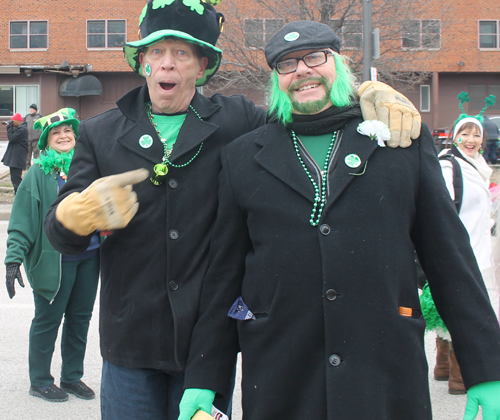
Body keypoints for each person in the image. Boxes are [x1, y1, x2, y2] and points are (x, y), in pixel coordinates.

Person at [44, 0, 421, 420]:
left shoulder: (240, 121)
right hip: (131, 342)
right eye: (157, 52)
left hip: (208, 344)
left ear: (202, 65)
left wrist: (366, 95)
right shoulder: (99, 132)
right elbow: (60, 233)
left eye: (181, 53)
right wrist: (73, 216)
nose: (167, 64)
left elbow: (308, 112)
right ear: (142, 61)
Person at [178, 21, 500, 420]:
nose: (302, 71)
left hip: (383, 368)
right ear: (277, 80)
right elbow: (224, 275)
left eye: (315, 57)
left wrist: (487, 367)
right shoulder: (243, 157)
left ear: (340, 65)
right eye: (287, 64)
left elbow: (451, 261)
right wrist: (204, 373)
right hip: (283, 372)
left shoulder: (399, 144)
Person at [5, 108, 100, 403]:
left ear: (76, 136)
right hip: (53, 261)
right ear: (45, 142)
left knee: (80, 319)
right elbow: (22, 220)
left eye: (68, 131)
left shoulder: (88, 169)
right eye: (56, 133)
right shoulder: (37, 174)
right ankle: (40, 380)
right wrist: (13, 259)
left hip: (90, 255)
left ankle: (72, 377)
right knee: (48, 320)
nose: (63, 136)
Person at [422, 96, 496, 395]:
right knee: (464, 306)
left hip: (479, 245)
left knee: (455, 304)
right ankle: (460, 377)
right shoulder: (449, 166)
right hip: (460, 249)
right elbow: (439, 209)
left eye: (476, 134)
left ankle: (443, 366)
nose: (471, 139)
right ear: (454, 137)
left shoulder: (479, 166)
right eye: (464, 133)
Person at [1, 112, 28, 194]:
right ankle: (18, 192)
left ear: (17, 122)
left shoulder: (22, 129)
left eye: (13, 121)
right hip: (15, 157)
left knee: (16, 178)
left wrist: (9, 127)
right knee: (14, 177)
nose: (11, 123)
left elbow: (11, 138)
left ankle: (20, 193)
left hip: (17, 158)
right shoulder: (19, 128)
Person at [24, 103, 42, 170]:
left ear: (35, 110)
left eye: (32, 109)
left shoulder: (39, 117)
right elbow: (24, 126)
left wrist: (39, 136)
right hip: (28, 139)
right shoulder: (27, 117)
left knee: (36, 154)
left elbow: (41, 127)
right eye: (30, 109)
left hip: (36, 139)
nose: (30, 110)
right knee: (28, 154)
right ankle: (27, 166)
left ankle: (36, 166)